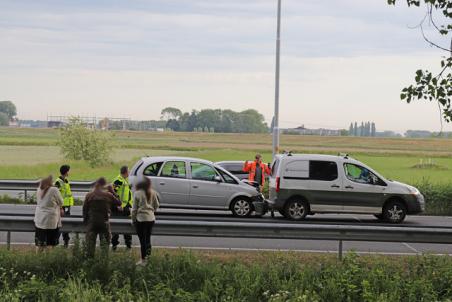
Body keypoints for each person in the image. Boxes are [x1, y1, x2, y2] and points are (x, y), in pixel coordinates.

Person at [83, 177, 121, 258]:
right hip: (104, 223)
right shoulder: (108, 195)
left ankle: (90, 262)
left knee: (90, 246)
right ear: (105, 185)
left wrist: (86, 222)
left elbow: (85, 210)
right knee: (104, 246)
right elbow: (119, 203)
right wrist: (112, 191)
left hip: (92, 222)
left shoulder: (89, 195)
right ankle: (103, 263)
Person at [132, 177, 159, 265]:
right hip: (151, 219)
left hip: (141, 219)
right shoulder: (153, 192)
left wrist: (133, 220)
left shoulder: (137, 193)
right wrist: (151, 211)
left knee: (142, 240)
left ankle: (143, 260)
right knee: (148, 239)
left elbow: (134, 209)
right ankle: (148, 259)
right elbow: (156, 205)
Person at [34, 176, 64, 252]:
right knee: (50, 243)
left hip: (39, 219)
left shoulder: (39, 189)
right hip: (50, 220)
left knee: (39, 243)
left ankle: (38, 259)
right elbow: (61, 202)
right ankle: (48, 260)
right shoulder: (54, 190)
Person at [111, 166, 133, 250]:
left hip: (125, 208)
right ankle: (114, 245)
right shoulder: (118, 181)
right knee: (116, 227)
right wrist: (117, 205)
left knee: (127, 228)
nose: (129, 173)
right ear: (125, 172)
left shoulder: (124, 181)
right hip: (119, 208)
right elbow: (113, 193)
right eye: (128, 171)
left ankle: (128, 245)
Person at [55, 164, 74, 247]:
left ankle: (66, 242)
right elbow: (56, 195)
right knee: (60, 224)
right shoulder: (58, 182)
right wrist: (60, 207)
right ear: (66, 172)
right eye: (68, 171)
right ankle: (55, 241)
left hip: (67, 206)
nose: (69, 172)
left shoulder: (66, 180)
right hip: (62, 207)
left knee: (66, 224)